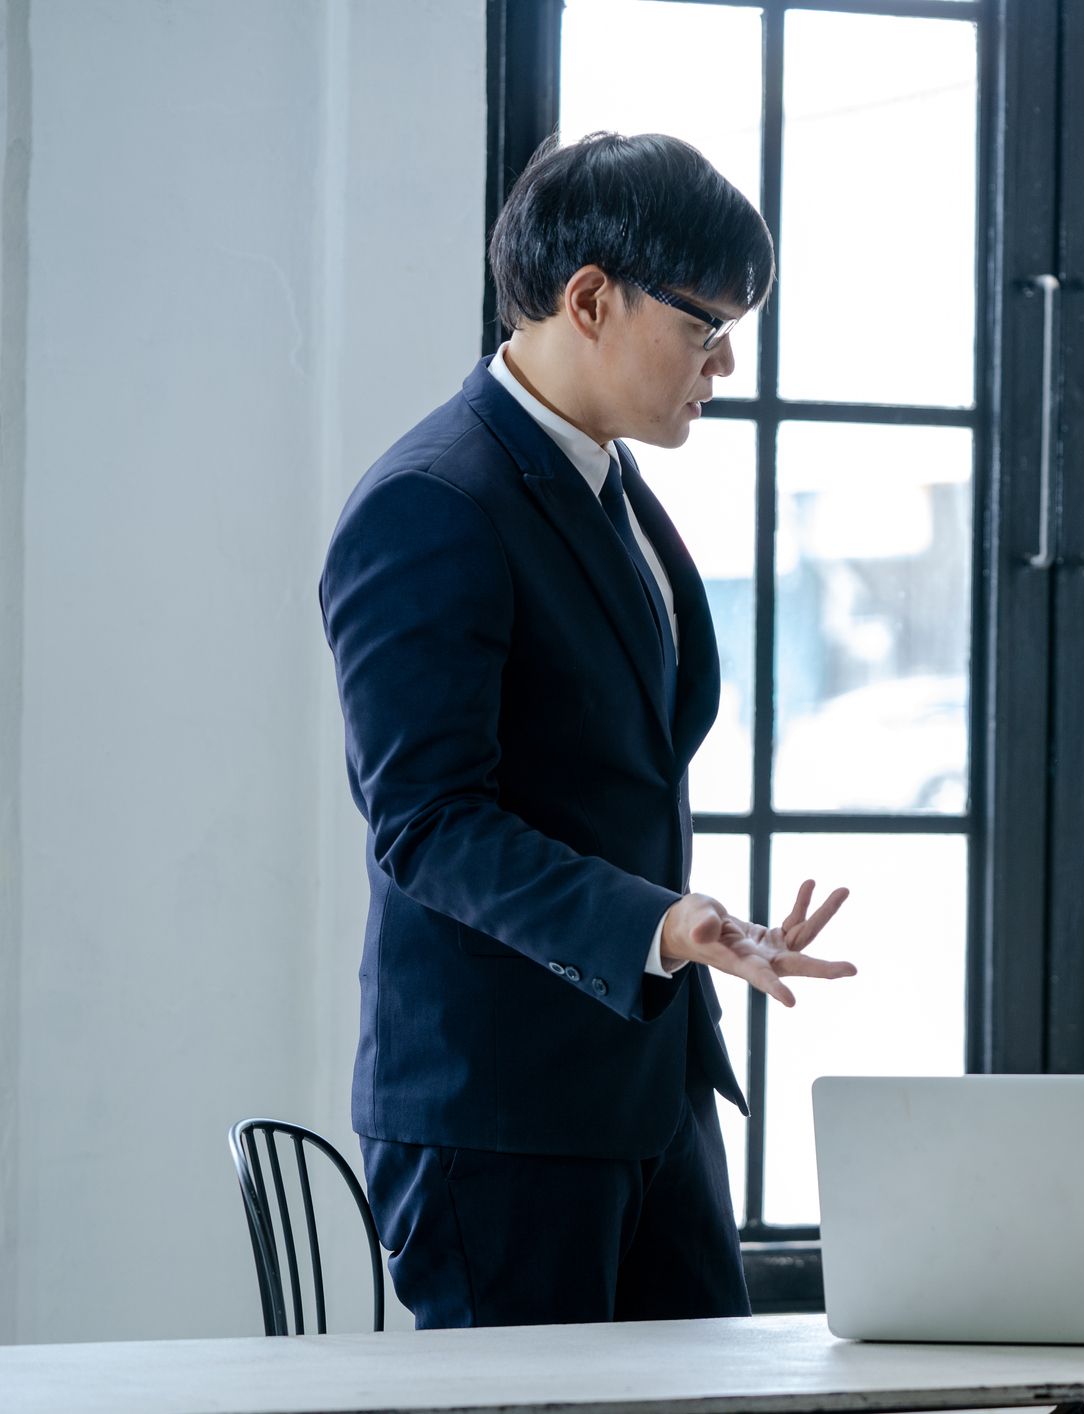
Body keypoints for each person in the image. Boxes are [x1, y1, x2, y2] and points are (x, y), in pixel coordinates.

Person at [319, 131, 854, 1329]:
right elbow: (428, 825)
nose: (724, 364)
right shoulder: (433, 503)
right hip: (499, 1115)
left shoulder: (604, 478)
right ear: (591, 299)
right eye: (706, 325)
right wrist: (654, 920)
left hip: (647, 1084)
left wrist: (686, 929)